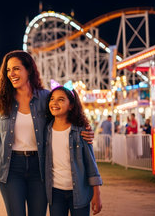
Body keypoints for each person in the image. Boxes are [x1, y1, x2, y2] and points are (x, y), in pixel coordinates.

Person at [0, 50, 94, 216]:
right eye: (8, 70)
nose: (11, 74)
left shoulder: (46, 98)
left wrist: (86, 130)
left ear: (29, 70)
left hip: (40, 167)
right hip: (10, 168)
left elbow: (67, 119)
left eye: (16, 68)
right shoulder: (1, 100)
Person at [45, 85, 102, 216]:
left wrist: (96, 194)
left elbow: (90, 163)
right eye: (52, 99)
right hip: (55, 193)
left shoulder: (80, 131)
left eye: (61, 99)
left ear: (71, 105)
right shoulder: (46, 130)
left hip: (79, 191)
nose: (54, 102)